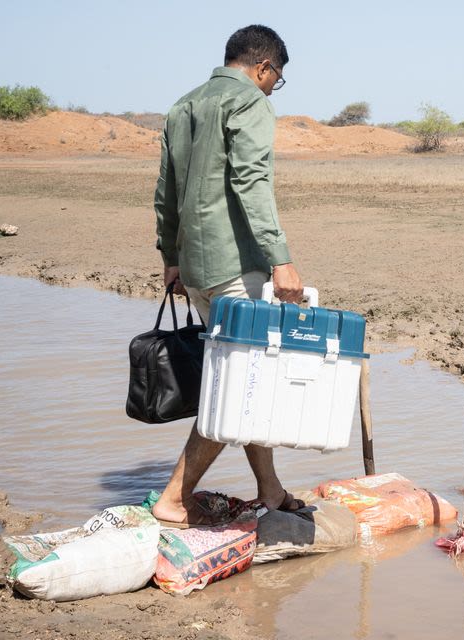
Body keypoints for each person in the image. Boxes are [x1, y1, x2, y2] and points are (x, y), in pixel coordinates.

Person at [151, 25, 306, 526]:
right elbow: (252, 180)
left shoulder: (183, 105)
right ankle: (175, 497)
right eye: (275, 78)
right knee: (240, 390)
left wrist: (171, 257)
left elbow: (166, 191)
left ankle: (271, 489)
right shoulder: (249, 103)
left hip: (195, 266)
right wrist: (280, 258)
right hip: (236, 267)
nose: (271, 88)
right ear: (264, 67)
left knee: (247, 377)